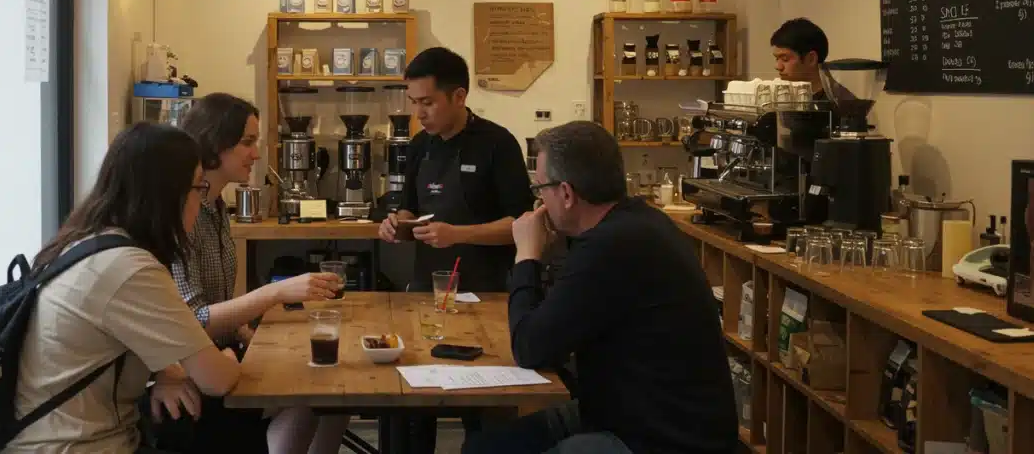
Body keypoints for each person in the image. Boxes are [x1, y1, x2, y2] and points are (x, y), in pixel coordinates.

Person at [464, 121, 738, 454]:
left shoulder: (612, 246)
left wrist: (526, 256)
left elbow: (530, 348)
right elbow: (558, 321)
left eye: (540, 190)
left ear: (565, 193)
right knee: (485, 447)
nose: (539, 203)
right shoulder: (635, 222)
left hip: (661, 438)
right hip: (626, 413)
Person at [4, 122, 246, 454]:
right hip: (75, 447)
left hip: (44, 438)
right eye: (198, 187)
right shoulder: (129, 268)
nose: (201, 199)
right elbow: (216, 379)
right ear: (168, 195)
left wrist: (165, 372)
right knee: (233, 428)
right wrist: (231, 355)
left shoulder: (86, 242)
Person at [163, 92, 349, 454]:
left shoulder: (217, 207)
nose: (257, 153)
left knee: (335, 394)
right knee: (314, 394)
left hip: (223, 355)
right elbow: (194, 321)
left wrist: (249, 333)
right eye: (247, 142)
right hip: (197, 372)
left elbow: (217, 307)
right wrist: (275, 293)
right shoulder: (182, 214)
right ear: (214, 142)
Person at [375, 47, 532, 452]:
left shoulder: (497, 144)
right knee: (409, 404)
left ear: (459, 96)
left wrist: (458, 234)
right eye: (414, 103)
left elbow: (522, 225)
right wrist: (398, 223)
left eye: (427, 102)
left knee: (484, 415)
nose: (419, 113)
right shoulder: (418, 145)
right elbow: (410, 204)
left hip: (488, 297)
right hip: (428, 295)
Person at [771, 17, 830, 100]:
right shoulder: (785, 98)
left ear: (811, 59)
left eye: (785, 59)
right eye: (777, 59)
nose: (778, 66)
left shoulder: (838, 103)